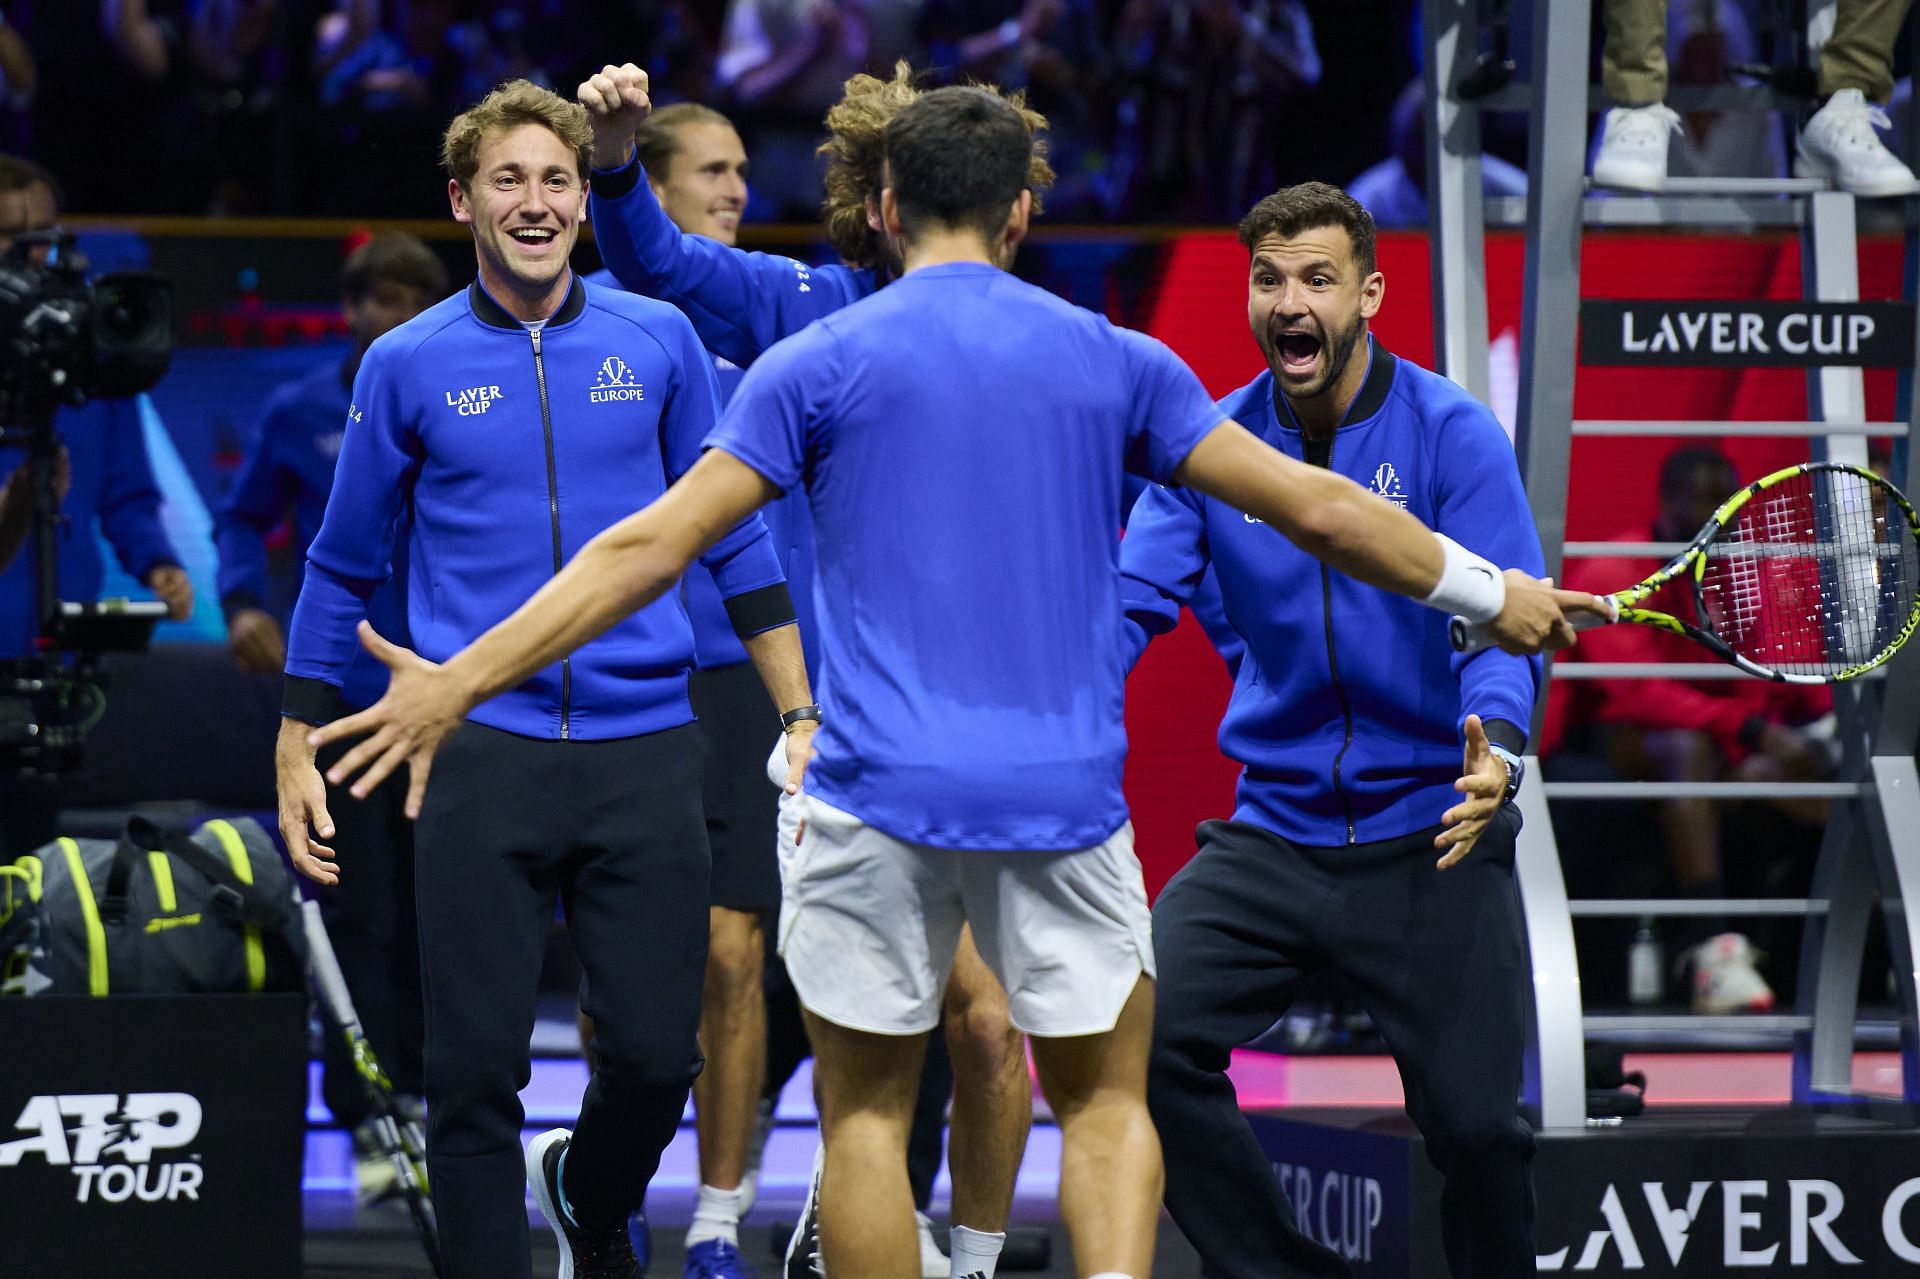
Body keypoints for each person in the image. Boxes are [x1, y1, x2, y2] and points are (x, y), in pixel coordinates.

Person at [308, 86, 1597, 1279]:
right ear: (1023, 211)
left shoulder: (813, 362)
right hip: (1061, 796)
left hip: (875, 788)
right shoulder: (1118, 357)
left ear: (882, 207)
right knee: (1100, 1100)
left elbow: (648, 545)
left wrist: (456, 680)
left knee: (865, 1114)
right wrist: (1491, 594)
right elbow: (1319, 508)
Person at [274, 80, 812, 1279]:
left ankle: (587, 1187)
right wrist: (293, 738)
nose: (535, 202)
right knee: (471, 1079)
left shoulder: (659, 339)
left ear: (585, 198)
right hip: (477, 755)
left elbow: (732, 536)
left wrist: (798, 709)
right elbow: (341, 559)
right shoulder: (405, 364)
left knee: (662, 1060)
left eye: (557, 180)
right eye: (507, 181)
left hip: (646, 748)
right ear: (463, 201)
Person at [584, 64, 1034, 1279]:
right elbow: (668, 269)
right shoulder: (810, 309)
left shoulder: (1042, 345)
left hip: (966, 726)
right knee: (797, 989)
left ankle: (937, 1246)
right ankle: (736, 1218)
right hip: (812, 713)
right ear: (881, 202)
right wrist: (619, 168)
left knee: (980, 1021)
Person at [1124, 181, 1544, 1279]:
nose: (1288, 301)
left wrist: (1496, 743)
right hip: (1276, 833)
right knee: (1136, 1042)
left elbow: (1503, 615)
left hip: (1432, 827)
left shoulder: (1451, 429)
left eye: (1316, 278)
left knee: (1480, 1134)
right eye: (1269, 279)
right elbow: (1131, 602)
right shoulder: (1213, 443)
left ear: (1369, 292)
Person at [586, 100, 792, 1279]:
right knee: (626, 970)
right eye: (712, 171)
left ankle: (717, 1215)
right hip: (630, 677)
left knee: (731, 953)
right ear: (651, 193)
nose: (736, 190)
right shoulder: (605, 325)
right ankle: (608, 1192)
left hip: (751, 684)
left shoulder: (776, 313)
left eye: (741, 171)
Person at [214, 230, 446, 1195]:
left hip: (455, 694)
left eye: (402, 299)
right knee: (362, 913)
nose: (380, 317)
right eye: (367, 299)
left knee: (444, 910)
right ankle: (370, 1113)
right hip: (348, 703)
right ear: (347, 307)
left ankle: (445, 1106)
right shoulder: (303, 406)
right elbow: (240, 515)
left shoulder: (466, 392)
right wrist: (242, 601)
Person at [1543, 446, 1833, 1013]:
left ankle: (1858, 959)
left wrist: (1758, 743)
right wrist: (1746, 731)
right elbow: (1640, 694)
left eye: (1722, 500)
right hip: (1611, 742)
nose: (1712, 512)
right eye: (1698, 498)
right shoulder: (1612, 571)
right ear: (1666, 500)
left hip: (1717, 744)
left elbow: (1757, 682)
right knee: (1685, 745)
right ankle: (1713, 945)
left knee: (1825, 790)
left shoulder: (1745, 581)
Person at [0, 153, 191, 859]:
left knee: (36, 866)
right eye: (12, 243)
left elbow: (127, 495)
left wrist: (159, 563)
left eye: (44, 237)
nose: (33, 258)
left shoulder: (92, 358)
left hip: (54, 660)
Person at [1592, 0, 1916, 194]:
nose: (1705, 63)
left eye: (1713, 52)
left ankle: (1843, 98)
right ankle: (1638, 103)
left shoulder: (1753, 114)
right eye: (1696, 52)